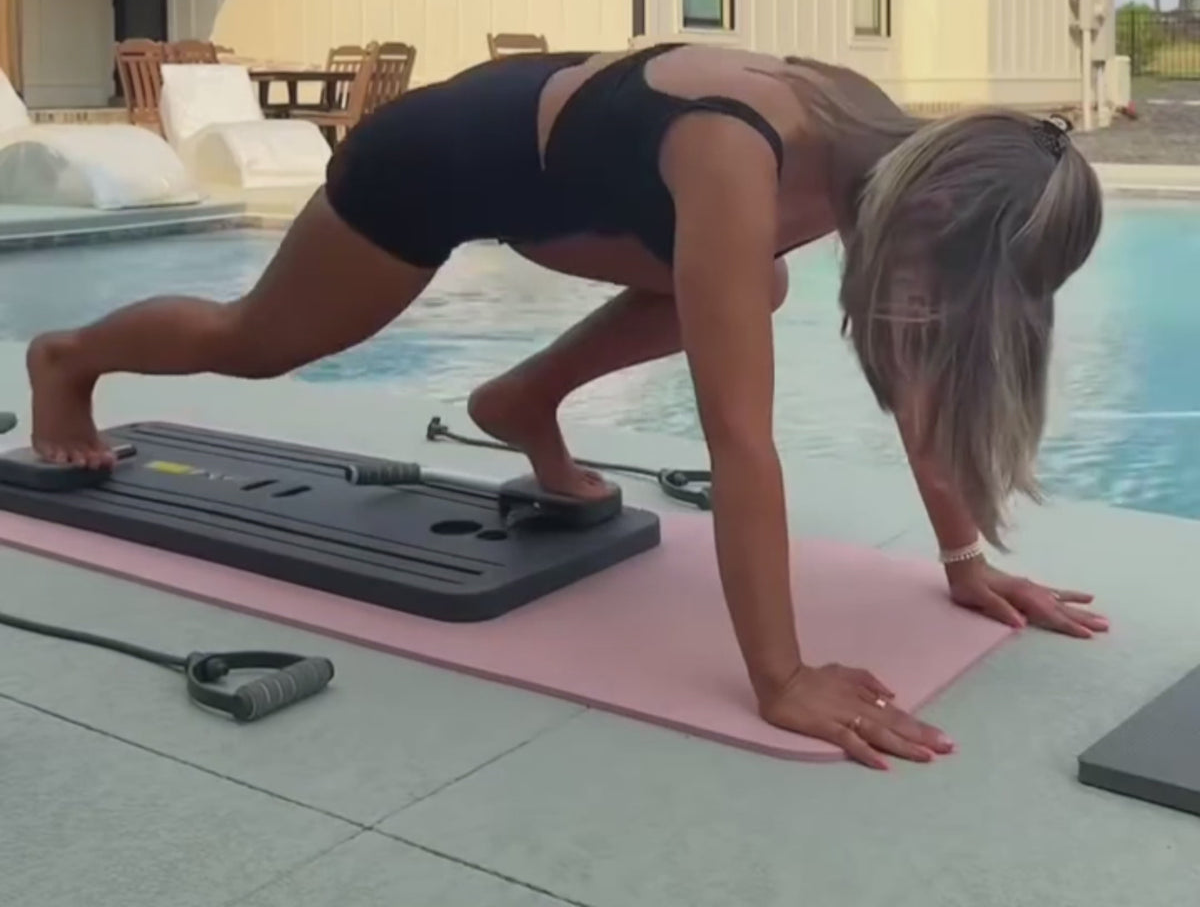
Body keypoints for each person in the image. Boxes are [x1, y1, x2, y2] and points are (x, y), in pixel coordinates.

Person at [26, 42, 1110, 769]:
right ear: (940, 203)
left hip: (580, 182)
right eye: (954, 278)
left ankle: (521, 399)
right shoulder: (739, 154)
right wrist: (781, 678)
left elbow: (921, 363)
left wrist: (965, 562)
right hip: (441, 161)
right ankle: (68, 361)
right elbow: (741, 440)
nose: (939, 306)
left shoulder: (889, 158)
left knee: (756, 283)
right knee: (259, 342)